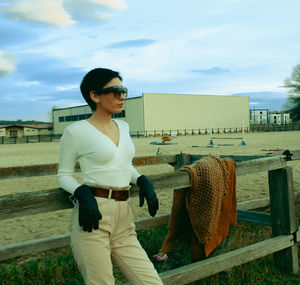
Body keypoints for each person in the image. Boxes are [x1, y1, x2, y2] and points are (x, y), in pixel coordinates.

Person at [56, 68, 163, 285]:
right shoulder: (75, 131)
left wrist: (142, 180)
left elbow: (125, 165)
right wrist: (81, 192)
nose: (121, 96)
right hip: (94, 216)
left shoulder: (123, 127)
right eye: (115, 91)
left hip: (124, 216)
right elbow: (64, 175)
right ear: (94, 96)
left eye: (123, 90)